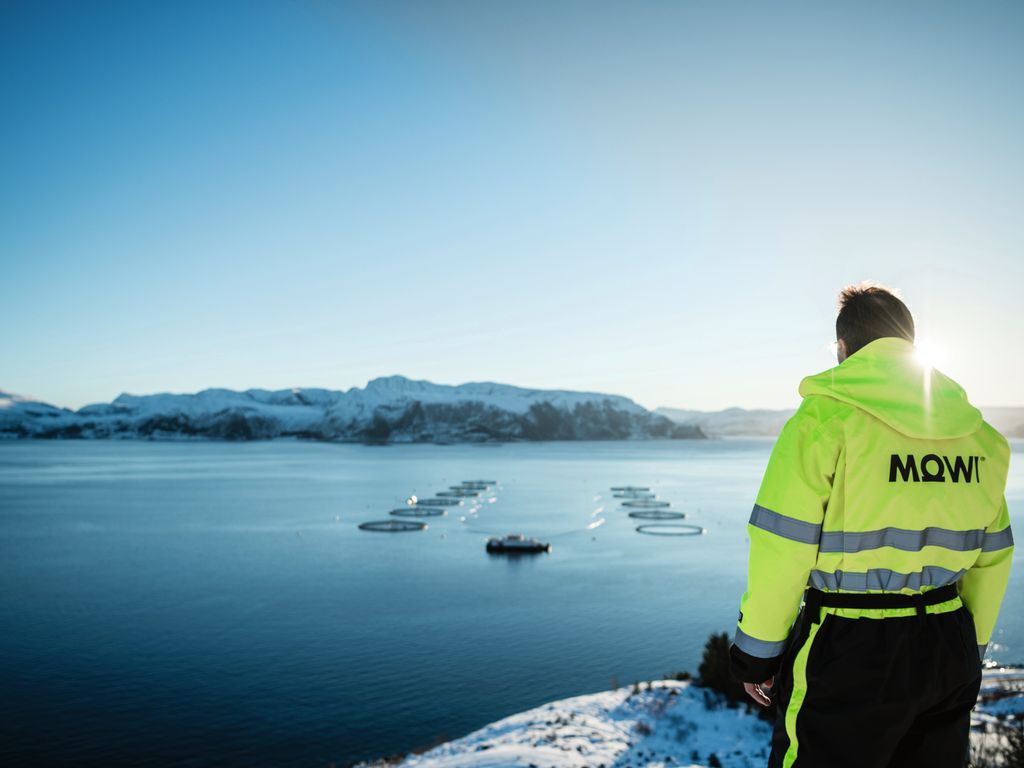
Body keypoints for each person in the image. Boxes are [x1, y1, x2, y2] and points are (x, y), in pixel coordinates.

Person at [728, 281, 1014, 768]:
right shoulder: (981, 437)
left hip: (847, 647)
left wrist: (757, 653)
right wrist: (972, 643)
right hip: (948, 644)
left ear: (843, 348)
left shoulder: (824, 420)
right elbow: (994, 557)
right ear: (912, 343)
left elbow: (783, 545)